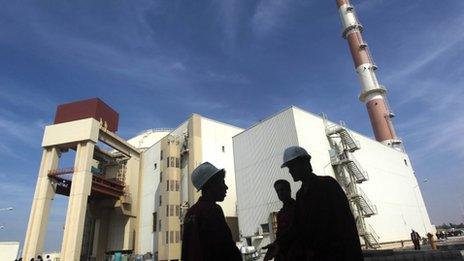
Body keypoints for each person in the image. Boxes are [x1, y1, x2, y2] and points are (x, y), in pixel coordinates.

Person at [264, 146, 363, 261]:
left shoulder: (327, 185)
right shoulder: (300, 195)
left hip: (335, 255)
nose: (290, 171)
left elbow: (346, 224)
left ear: (305, 163)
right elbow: (297, 227)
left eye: (292, 166)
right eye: (289, 167)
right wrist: (278, 244)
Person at [181, 162, 242, 261]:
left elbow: (186, 250)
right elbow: (226, 248)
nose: (226, 187)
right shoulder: (212, 210)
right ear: (211, 185)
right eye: (222, 182)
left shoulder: (191, 213)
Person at [273, 180, 296, 261]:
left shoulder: (298, 207)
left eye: (282, 190)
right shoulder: (280, 214)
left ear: (289, 191)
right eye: (278, 191)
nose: (280, 193)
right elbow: (279, 233)